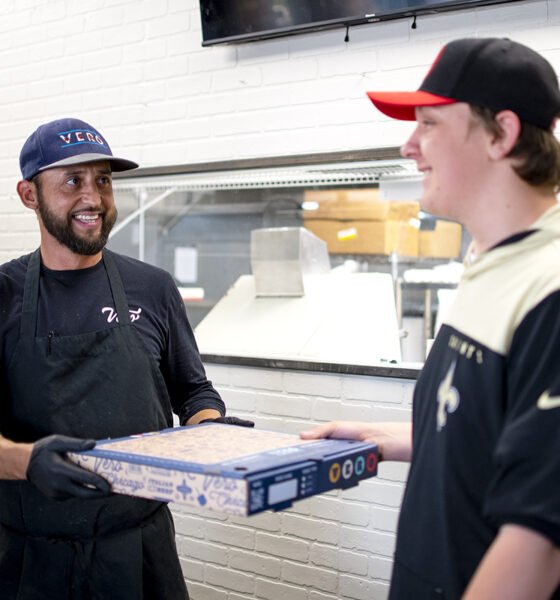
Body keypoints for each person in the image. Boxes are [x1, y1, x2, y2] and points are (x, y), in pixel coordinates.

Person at [301, 38, 560, 599]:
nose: (409, 146)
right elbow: (500, 431)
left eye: (429, 124)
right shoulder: (489, 262)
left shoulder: (550, 286)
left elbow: (538, 542)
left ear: (503, 134)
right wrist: (383, 436)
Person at [0, 117, 252, 600]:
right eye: (73, 181)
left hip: (140, 553)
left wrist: (208, 431)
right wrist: (27, 461)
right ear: (29, 195)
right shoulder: (4, 295)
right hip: (30, 562)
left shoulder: (152, 287)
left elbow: (193, 391)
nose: (93, 197)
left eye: (103, 180)